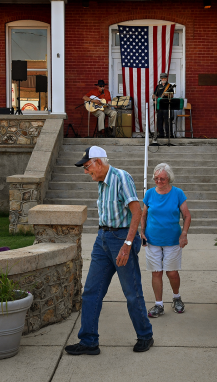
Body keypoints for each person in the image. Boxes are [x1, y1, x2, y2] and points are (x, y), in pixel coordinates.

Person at [65, 146, 153, 355]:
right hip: (102, 239)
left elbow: (137, 212)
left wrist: (128, 244)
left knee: (132, 292)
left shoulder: (121, 177)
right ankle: (88, 341)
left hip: (121, 239)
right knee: (91, 292)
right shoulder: (101, 182)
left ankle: (145, 336)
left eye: (87, 167)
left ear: (98, 162)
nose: (86, 172)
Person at [140, 163, 191, 317]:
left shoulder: (177, 193)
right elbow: (143, 215)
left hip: (172, 239)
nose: (159, 181)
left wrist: (184, 234)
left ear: (169, 178)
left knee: (172, 273)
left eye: (162, 178)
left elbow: (187, 215)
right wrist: (141, 232)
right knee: (156, 273)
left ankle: (176, 298)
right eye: (156, 178)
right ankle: (158, 304)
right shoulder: (149, 193)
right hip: (152, 239)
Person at [152, 73, 178, 138]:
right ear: (161, 79)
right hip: (160, 105)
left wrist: (167, 95)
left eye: (164, 78)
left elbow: (172, 96)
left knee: (167, 120)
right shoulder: (158, 86)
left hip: (167, 105)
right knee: (159, 120)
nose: (163, 79)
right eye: (162, 78)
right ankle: (161, 134)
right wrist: (154, 98)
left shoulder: (169, 86)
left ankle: (169, 134)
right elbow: (154, 95)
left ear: (166, 79)